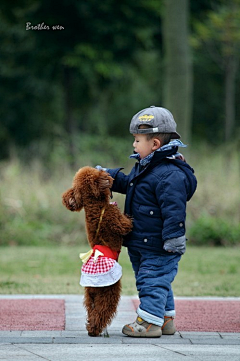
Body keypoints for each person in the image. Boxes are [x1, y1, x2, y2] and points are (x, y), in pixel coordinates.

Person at [98, 105, 197, 338]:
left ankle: (148, 324)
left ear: (155, 144)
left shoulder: (169, 174)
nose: (133, 145)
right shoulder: (146, 167)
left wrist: (173, 239)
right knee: (158, 280)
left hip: (159, 243)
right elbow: (130, 185)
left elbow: (174, 210)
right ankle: (164, 319)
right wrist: (108, 177)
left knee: (151, 281)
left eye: (137, 140)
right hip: (142, 241)